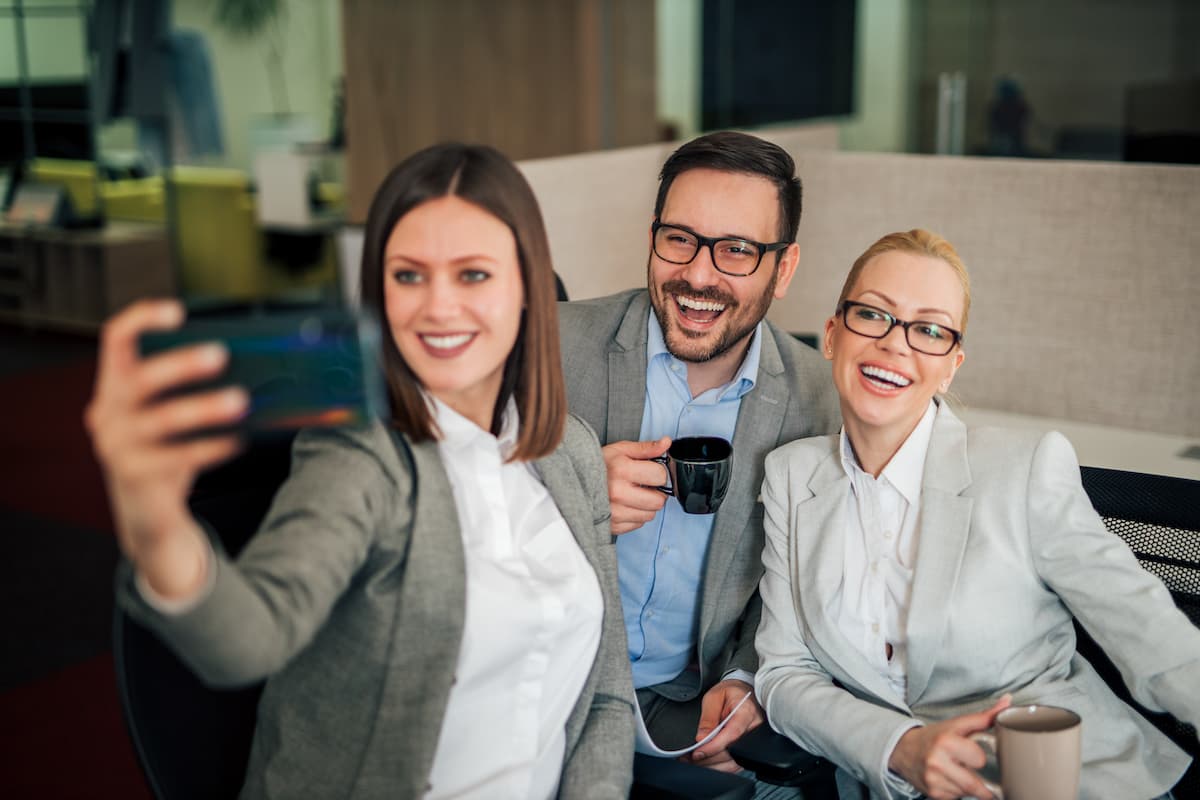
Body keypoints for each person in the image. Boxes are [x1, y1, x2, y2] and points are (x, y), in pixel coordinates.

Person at [86, 143, 635, 799]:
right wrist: (156, 528)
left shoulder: (569, 451)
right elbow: (247, 640)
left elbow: (605, 694)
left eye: (472, 275)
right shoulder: (361, 456)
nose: (437, 306)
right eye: (408, 276)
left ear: (527, 286)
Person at [755, 228, 1200, 800]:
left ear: (951, 366)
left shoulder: (1025, 469)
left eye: (930, 330)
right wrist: (899, 746)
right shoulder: (792, 476)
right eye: (874, 314)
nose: (896, 345)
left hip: (1056, 780)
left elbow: (1150, 635)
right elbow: (784, 674)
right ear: (834, 335)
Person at [557, 130, 841, 776]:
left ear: (784, 268)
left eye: (737, 250)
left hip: (688, 712)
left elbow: (796, 582)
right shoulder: (552, 347)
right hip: (548, 683)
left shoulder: (819, 402)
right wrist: (569, 490)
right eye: (678, 238)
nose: (697, 274)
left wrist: (749, 678)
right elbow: (458, 515)